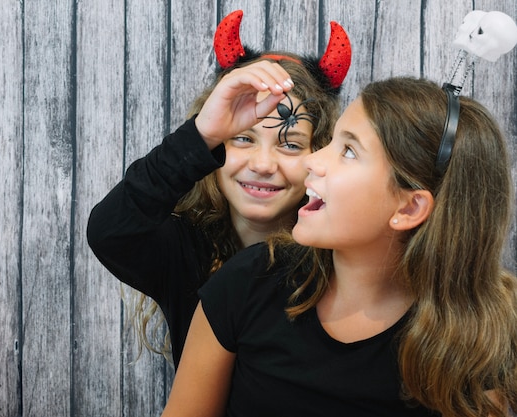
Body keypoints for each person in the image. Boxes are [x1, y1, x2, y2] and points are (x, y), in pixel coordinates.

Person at [161, 76, 517, 417]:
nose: (310, 161)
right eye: (331, 142)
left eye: (347, 150)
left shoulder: (474, 341)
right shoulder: (247, 283)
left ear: (409, 207)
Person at [86, 10, 351, 366]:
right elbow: (110, 231)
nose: (261, 164)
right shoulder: (184, 252)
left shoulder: (342, 260)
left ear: (319, 154)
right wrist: (202, 134)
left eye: (289, 144)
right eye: (242, 138)